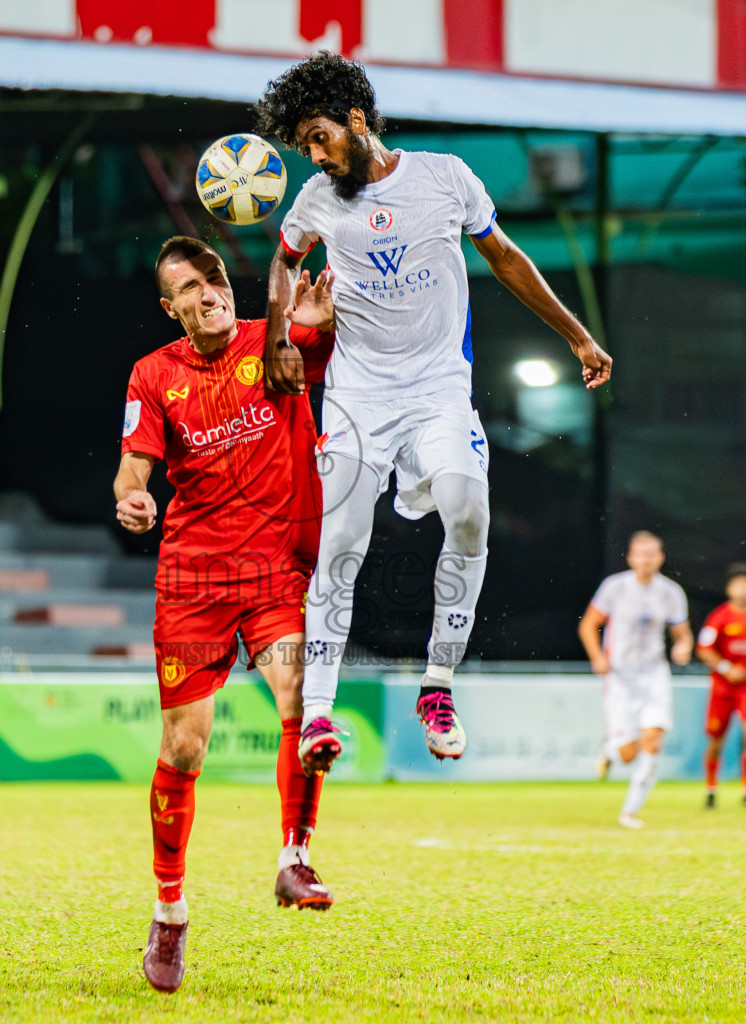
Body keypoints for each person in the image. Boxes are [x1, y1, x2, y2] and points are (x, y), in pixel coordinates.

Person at [255, 52, 612, 769]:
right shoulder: (316, 201)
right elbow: (285, 261)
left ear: (357, 118)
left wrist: (576, 334)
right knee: (341, 541)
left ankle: (438, 683)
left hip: (438, 392)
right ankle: (318, 714)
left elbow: (505, 258)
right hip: (357, 396)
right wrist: (279, 340)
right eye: (303, 147)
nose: (315, 156)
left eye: (320, 137)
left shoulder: (446, 178)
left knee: (469, 511)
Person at [115, 235, 338, 994]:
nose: (208, 291)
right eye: (190, 286)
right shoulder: (153, 374)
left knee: (300, 698)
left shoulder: (271, 341)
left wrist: (317, 327)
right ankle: (169, 911)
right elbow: (134, 464)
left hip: (275, 569)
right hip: (194, 576)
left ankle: (294, 857)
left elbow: (319, 351)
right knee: (184, 749)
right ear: (169, 307)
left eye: (214, 277)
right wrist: (132, 496)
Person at [579, 532, 692, 829]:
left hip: (654, 675)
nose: (646, 560)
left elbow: (682, 634)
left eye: (652, 554)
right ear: (631, 558)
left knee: (653, 740)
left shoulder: (670, 592)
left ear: (661, 557)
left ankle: (629, 812)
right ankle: (609, 751)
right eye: (641, 554)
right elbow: (589, 625)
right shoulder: (615, 587)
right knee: (627, 754)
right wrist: (597, 657)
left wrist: (683, 647)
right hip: (620, 677)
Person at [695, 563, 746, 810]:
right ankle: (711, 788)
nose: (743, 590)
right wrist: (726, 668)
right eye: (738, 585)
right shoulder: (719, 617)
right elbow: (703, 650)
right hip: (722, 688)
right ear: (729, 589)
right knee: (716, 741)